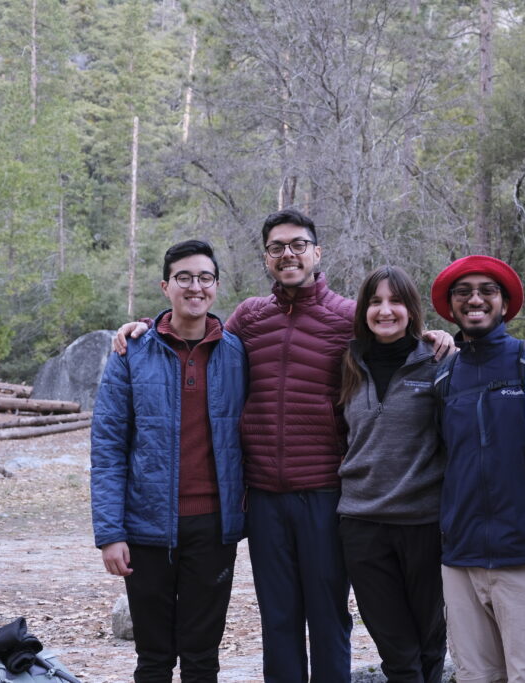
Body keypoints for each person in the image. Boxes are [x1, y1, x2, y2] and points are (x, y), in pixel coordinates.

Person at [113, 209, 453, 682]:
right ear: (267, 258)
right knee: (278, 619)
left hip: (326, 493)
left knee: (328, 616)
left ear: (317, 252)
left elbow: (394, 338)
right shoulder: (250, 317)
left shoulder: (345, 319)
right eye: (277, 247)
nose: (288, 254)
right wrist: (146, 328)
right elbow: (197, 336)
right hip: (263, 497)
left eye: (298, 245)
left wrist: (433, 336)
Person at [91, 239, 247, 682]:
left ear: (215, 287)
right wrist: (110, 533)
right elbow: (107, 447)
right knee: (154, 658)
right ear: (165, 286)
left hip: (215, 527)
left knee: (202, 657)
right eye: (184, 278)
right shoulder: (131, 352)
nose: (195, 287)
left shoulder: (238, 353)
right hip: (145, 527)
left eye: (204, 278)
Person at [429, 255, 525, 683]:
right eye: (464, 292)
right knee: (475, 677)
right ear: (451, 305)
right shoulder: (444, 378)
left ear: (504, 303)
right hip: (460, 562)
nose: (475, 299)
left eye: (487, 291)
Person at [337, 265, 446, 683]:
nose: (386, 310)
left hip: (425, 522)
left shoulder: (437, 362)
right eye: (376, 302)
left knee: (430, 645)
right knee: (396, 651)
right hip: (362, 525)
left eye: (396, 301)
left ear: (411, 309)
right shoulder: (348, 364)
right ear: (364, 310)